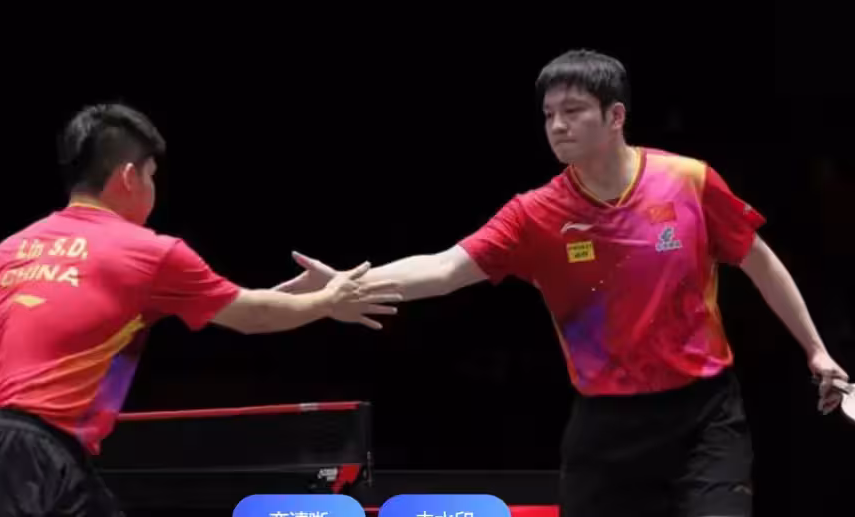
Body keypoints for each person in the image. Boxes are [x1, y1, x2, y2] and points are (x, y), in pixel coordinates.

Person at [277, 49, 851, 517]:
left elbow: (759, 261)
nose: (557, 125)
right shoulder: (535, 214)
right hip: (607, 427)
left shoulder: (688, 181)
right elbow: (446, 269)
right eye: (549, 114)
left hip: (705, 415)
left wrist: (816, 349)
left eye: (573, 111)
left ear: (616, 116)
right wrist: (343, 287)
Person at [0, 103, 401, 517]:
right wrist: (327, 301)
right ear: (128, 176)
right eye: (150, 175)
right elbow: (250, 315)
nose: (153, 189)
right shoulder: (149, 252)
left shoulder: (8, 251)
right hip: (39, 458)